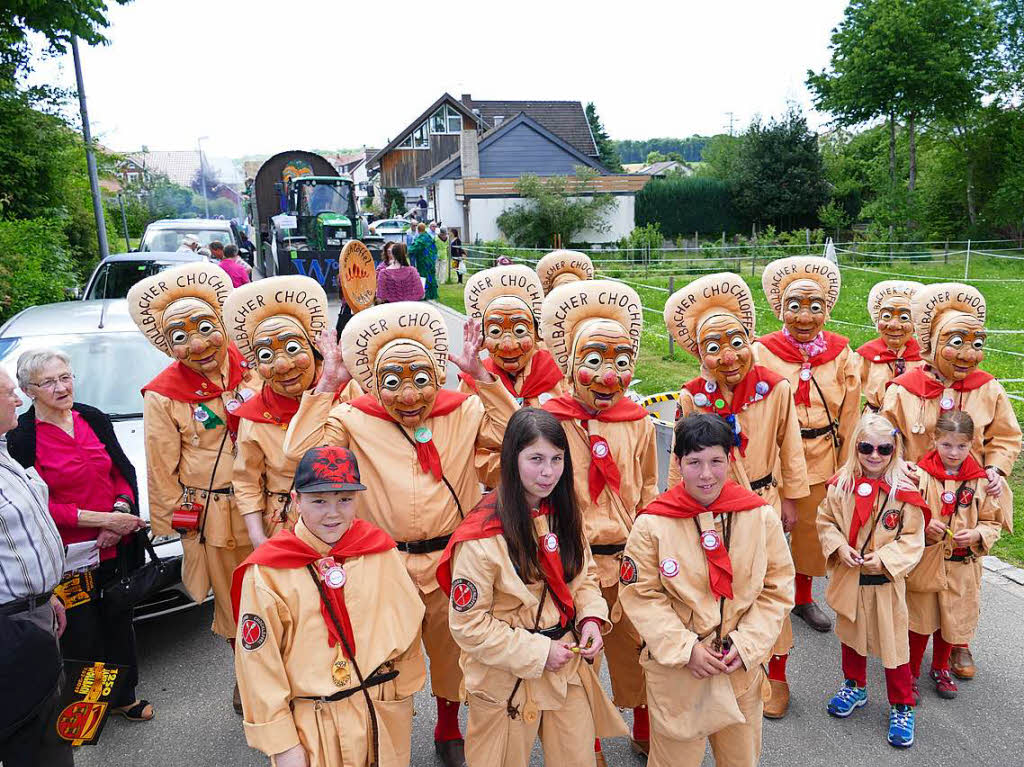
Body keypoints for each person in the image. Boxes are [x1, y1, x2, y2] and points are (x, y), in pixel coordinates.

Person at [282, 301, 518, 767]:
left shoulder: (465, 410)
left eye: (421, 379)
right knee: (387, 657)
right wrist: (328, 383)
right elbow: (299, 454)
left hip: (452, 557)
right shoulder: (353, 419)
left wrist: (483, 378)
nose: (409, 395)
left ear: (438, 375)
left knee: (454, 652)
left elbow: (523, 435)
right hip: (382, 560)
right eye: (393, 382)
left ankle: (448, 726)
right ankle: (389, 739)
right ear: (373, 382)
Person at [437, 408, 627, 766]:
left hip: (565, 663)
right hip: (505, 672)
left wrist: (590, 619)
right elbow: (468, 624)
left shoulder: (564, 513)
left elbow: (583, 578)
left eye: (557, 459)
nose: (547, 472)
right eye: (535, 459)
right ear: (512, 458)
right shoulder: (482, 536)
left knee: (577, 758)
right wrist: (539, 652)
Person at [663, 273, 808, 718]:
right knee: (721, 588)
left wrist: (790, 499)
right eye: (713, 347)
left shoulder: (776, 387)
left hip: (763, 501)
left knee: (769, 587)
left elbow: (790, 443)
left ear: (750, 339)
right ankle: (725, 661)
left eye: (737, 342)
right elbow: (680, 456)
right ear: (699, 354)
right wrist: (677, 510)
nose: (728, 357)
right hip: (712, 506)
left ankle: (776, 673)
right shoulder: (692, 398)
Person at [231, 446, 426, 767]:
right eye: (319, 501)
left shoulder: (379, 550)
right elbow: (257, 664)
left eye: (345, 500)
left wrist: (402, 691)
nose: (333, 513)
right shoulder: (269, 571)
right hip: (313, 721)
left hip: (378, 705)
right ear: (296, 501)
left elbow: (408, 620)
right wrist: (281, 743)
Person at [618, 413, 794, 767]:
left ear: (729, 460)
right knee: (674, 760)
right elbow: (641, 596)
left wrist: (747, 646)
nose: (706, 474)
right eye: (694, 462)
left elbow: (777, 588)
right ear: (679, 463)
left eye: (716, 461)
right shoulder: (653, 524)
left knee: (741, 758)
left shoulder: (759, 518)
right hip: (680, 672)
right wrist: (686, 650)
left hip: (738, 669)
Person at [127, 261, 257, 713]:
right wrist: (173, 524)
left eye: (205, 328)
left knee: (286, 590)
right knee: (233, 599)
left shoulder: (255, 365)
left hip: (275, 505)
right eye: (181, 336)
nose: (198, 344)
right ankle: (247, 676)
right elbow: (161, 464)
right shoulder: (162, 395)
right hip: (216, 515)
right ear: (167, 343)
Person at [538, 280, 657, 756]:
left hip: (628, 558)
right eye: (594, 361)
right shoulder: (549, 417)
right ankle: (585, 742)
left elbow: (649, 485)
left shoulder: (639, 420)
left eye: (621, 362)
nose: (609, 376)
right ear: (569, 363)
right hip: (572, 559)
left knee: (639, 647)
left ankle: (646, 727)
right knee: (579, 653)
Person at [880, 282, 1021, 679]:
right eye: (956, 342)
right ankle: (909, 643)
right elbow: (884, 437)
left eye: (977, 343)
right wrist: (897, 468)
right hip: (918, 494)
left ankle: (958, 644)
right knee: (918, 571)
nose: (967, 354)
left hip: (970, 496)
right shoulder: (904, 390)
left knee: (964, 576)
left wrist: (995, 469)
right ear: (932, 342)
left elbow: (1006, 437)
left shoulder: (988, 388)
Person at [7, 350, 152, 722]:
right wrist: (99, 521)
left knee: (119, 623)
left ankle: (123, 696)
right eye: (49, 382)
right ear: (28, 391)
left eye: (65, 377)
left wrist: (119, 512)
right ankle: (86, 712)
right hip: (70, 557)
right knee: (83, 636)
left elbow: (122, 470)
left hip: (114, 546)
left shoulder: (92, 417)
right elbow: (40, 502)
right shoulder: (23, 438)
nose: (61, 387)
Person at [753, 256, 861, 634]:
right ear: (780, 309)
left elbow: (850, 412)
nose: (803, 316)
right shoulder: (760, 352)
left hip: (821, 455)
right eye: (794, 306)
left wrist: (849, 466)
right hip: (773, 457)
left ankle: (802, 598)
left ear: (827, 311)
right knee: (765, 527)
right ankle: (762, 595)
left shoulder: (842, 353)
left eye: (814, 307)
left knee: (810, 531)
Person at [816, 412, 927, 748]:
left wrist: (886, 558)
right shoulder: (841, 486)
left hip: (885, 586)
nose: (875, 456)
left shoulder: (903, 494)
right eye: (866, 448)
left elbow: (912, 538)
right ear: (856, 448)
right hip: (851, 579)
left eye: (884, 449)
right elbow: (825, 521)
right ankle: (855, 685)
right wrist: (838, 546)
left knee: (894, 646)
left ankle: (902, 704)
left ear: (895, 451)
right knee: (851, 635)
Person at [226, 277, 362, 549]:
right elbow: (247, 481)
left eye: (292, 349)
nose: (282, 365)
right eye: (266, 355)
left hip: (349, 519)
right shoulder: (254, 414)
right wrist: (257, 537)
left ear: (313, 351)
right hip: (285, 524)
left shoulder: (347, 392)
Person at [906, 411, 1005, 701]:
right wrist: (924, 526)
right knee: (921, 619)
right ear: (935, 440)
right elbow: (905, 515)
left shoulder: (981, 482)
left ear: (972, 444)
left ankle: (940, 667)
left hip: (963, 565)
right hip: (928, 562)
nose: (954, 452)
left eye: (961, 446)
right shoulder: (919, 476)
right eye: (947, 445)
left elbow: (992, 522)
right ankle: (910, 672)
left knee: (952, 620)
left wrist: (977, 535)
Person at [0, 368, 72, 767]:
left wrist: (47, 595)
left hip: (34, 612)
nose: (18, 400)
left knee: (51, 728)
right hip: (11, 628)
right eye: (10, 393)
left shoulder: (4, 450)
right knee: (32, 738)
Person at [459, 264, 567, 486]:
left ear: (537, 334)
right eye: (496, 332)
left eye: (519, 331)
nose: (508, 345)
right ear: (482, 338)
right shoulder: (471, 383)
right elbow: (469, 447)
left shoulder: (559, 376)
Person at [856, 281, 925, 412]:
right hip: (875, 421)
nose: (894, 325)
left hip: (913, 419)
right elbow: (848, 390)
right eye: (887, 316)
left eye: (904, 317)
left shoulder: (924, 358)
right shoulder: (864, 356)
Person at [410, 222, 439, 301]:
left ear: (418, 230)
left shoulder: (420, 239)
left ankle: (424, 294)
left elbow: (413, 249)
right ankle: (433, 294)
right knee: (431, 277)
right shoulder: (430, 237)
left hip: (423, 262)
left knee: (424, 277)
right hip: (431, 261)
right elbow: (435, 249)